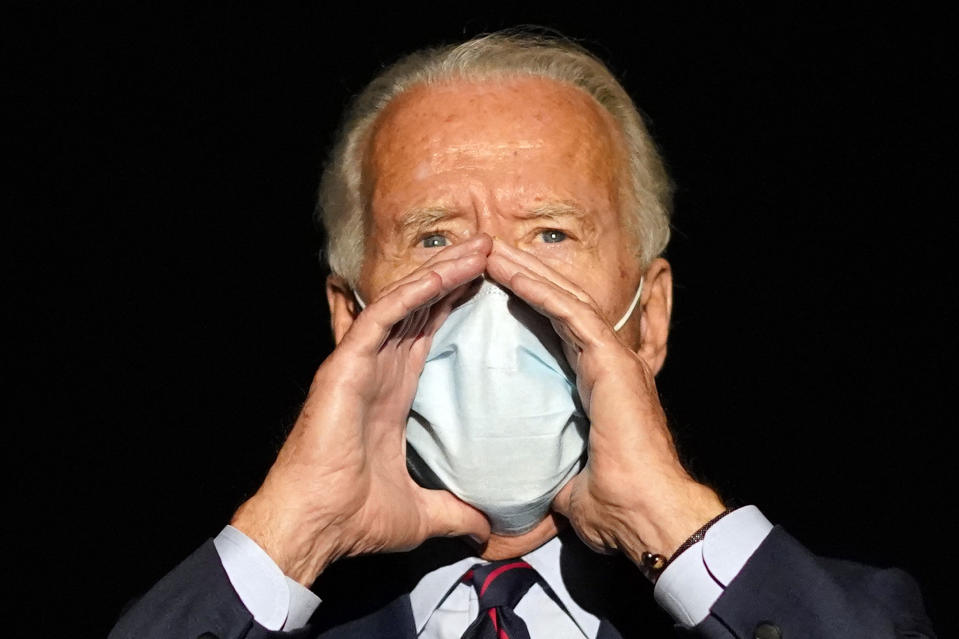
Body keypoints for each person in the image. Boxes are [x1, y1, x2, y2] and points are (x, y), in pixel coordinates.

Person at [109, 31, 935, 638]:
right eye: (435, 239)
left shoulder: (831, 613)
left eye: (549, 236)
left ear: (647, 318)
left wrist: (671, 531)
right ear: (349, 317)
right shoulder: (260, 615)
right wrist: (290, 537)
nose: (494, 284)